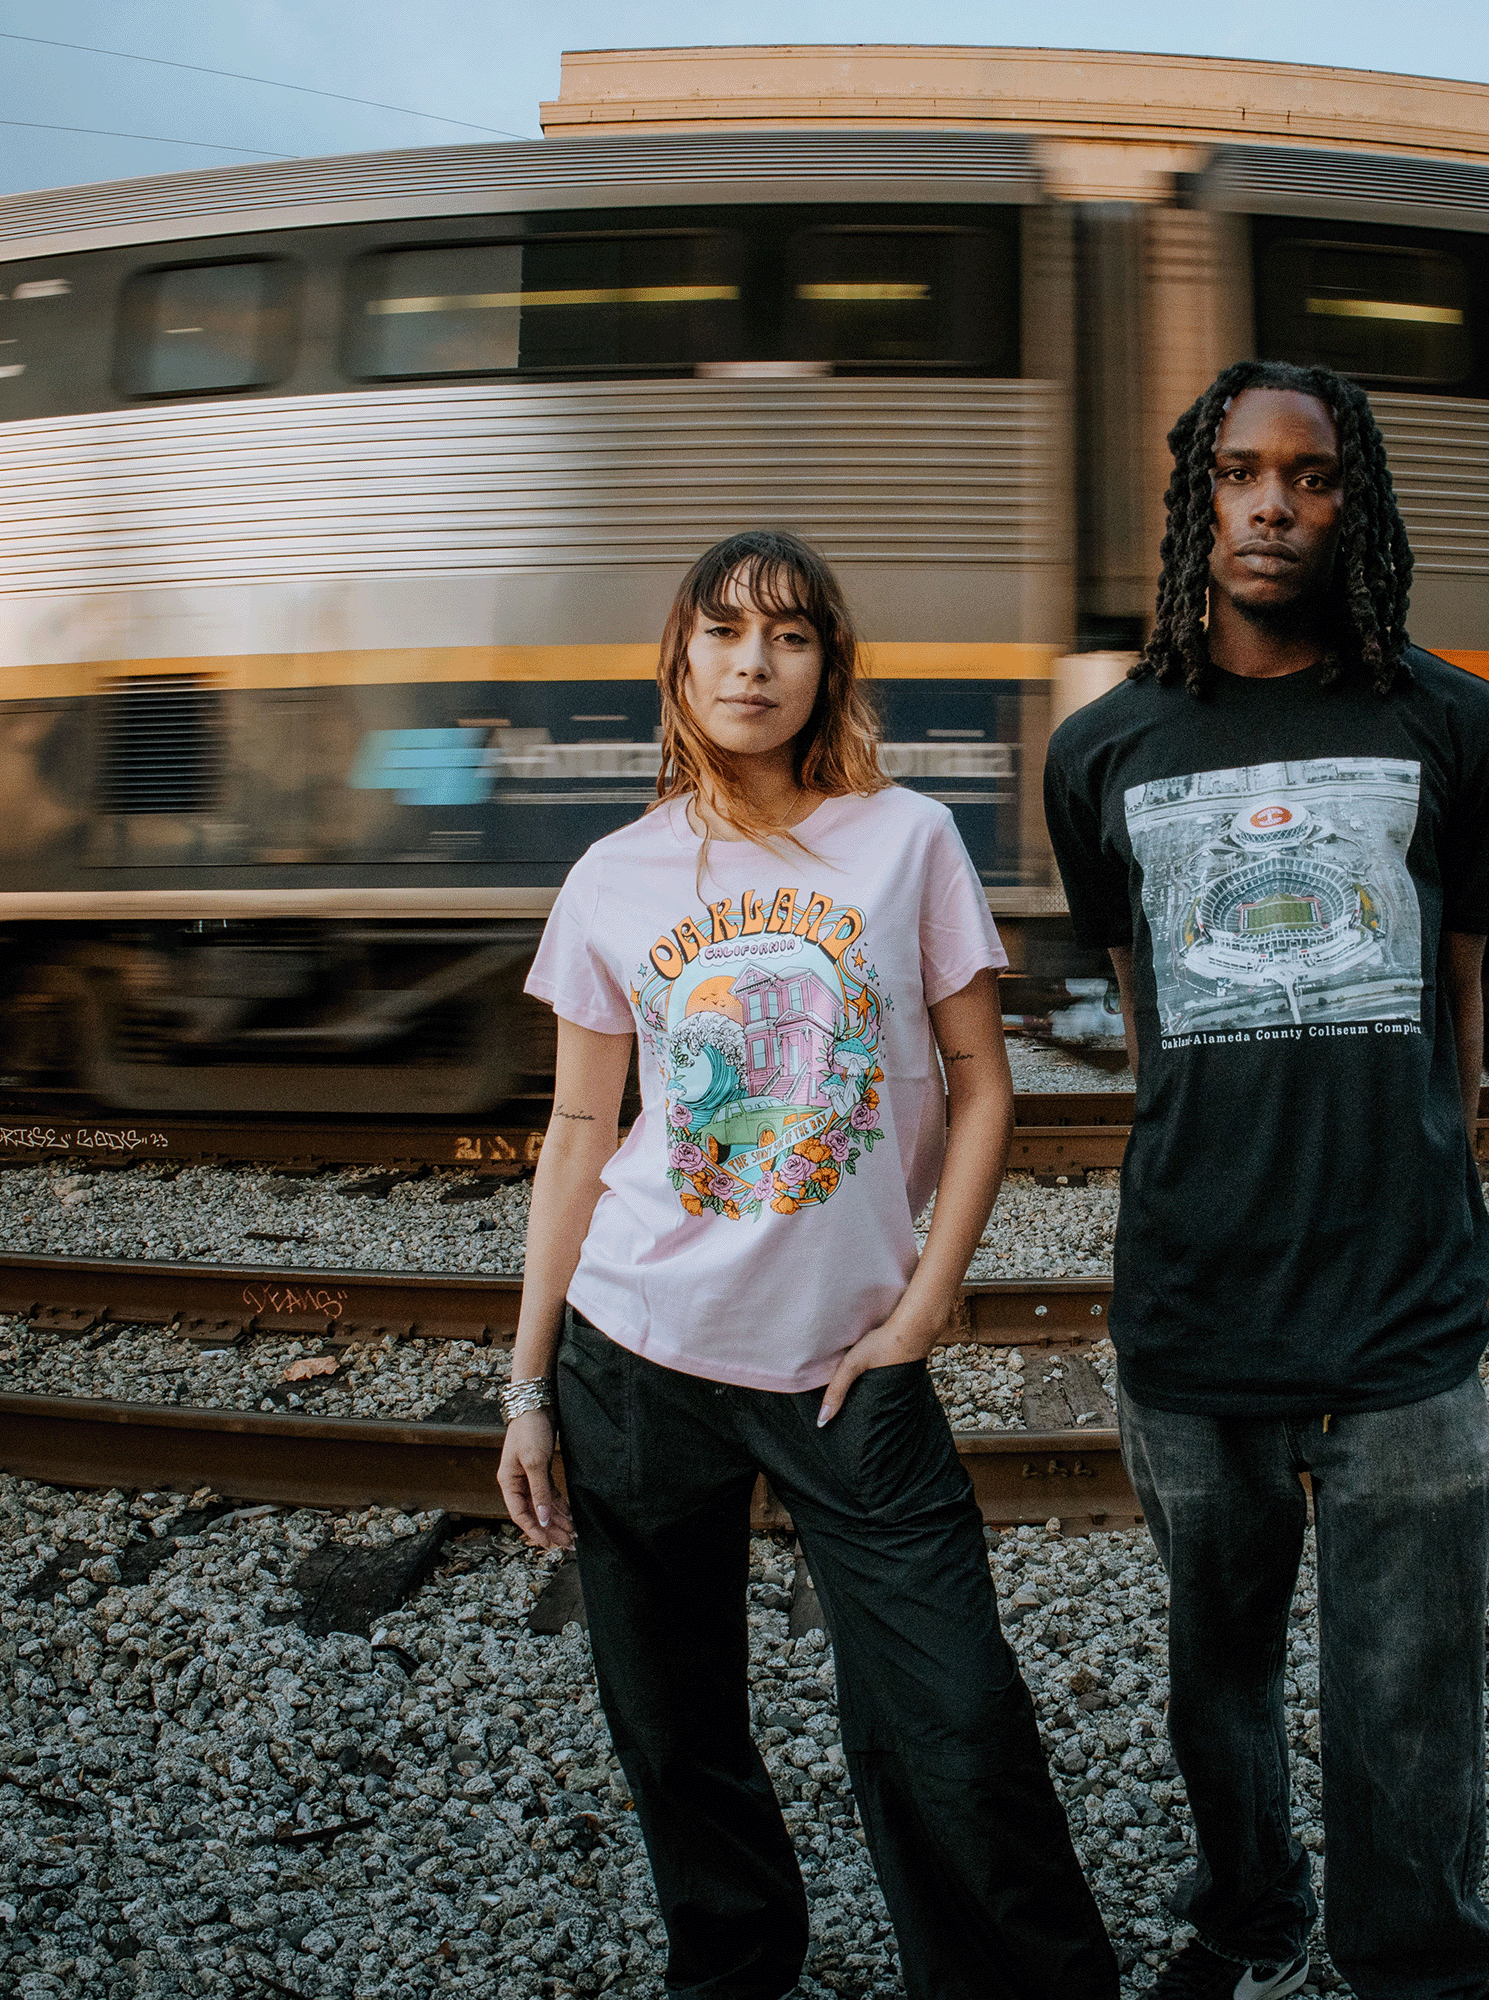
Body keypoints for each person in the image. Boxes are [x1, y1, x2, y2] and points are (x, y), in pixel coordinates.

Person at [498, 528, 1118, 2000]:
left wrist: (921, 1308)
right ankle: (737, 1968)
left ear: (829, 664)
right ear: (681, 661)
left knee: (956, 1725)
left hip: (855, 1365)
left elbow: (986, 1087)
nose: (752, 664)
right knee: (674, 1723)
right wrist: (527, 1385)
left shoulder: (905, 841)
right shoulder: (615, 874)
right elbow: (583, 1127)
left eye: (787, 636)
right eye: (722, 633)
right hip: (635, 1354)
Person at [1043, 360, 1489, 2000]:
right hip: (1196, 1295)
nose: (1272, 502)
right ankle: (1246, 1912)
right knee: (1219, 1676)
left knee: (1412, 1687)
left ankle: (1418, 1964)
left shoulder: (1452, 724)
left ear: (1355, 502)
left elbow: (1462, 993)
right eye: (1240, 472)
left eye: (1310, 476)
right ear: (1197, 497)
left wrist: (1442, 1192)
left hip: (1403, 1299)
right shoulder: (1103, 746)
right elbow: (1146, 1006)